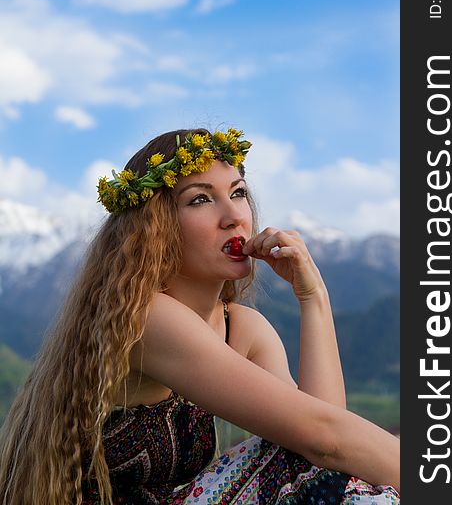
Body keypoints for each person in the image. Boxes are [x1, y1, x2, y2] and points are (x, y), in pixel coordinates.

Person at [0, 127, 400, 504]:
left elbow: (326, 443)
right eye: (200, 199)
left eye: (238, 192)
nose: (234, 216)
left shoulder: (242, 328)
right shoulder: (145, 318)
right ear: (156, 228)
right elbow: (324, 439)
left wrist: (313, 298)